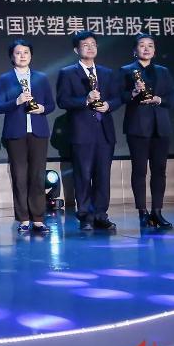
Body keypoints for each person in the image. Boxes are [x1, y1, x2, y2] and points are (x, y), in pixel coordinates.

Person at [56, 30, 121, 231]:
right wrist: (84, 100)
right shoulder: (67, 73)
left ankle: (101, 215)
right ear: (77, 50)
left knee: (103, 176)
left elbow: (118, 97)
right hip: (81, 132)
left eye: (93, 44)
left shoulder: (106, 73)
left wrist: (108, 105)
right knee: (83, 175)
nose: (90, 48)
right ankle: (85, 215)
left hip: (104, 132)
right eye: (85, 45)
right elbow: (62, 101)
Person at [0, 39, 56, 235]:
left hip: (38, 132)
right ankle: (24, 219)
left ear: (31, 55)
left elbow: (51, 105)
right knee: (19, 177)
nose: (22, 56)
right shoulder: (4, 79)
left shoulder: (41, 78)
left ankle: (38, 219)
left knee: (37, 176)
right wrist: (16, 101)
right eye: (18, 53)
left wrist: (42, 109)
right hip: (15, 133)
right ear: (12, 56)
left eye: (26, 52)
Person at [120, 33, 174, 229]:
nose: (146, 49)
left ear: (154, 50)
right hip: (137, 127)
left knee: (159, 170)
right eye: (142, 45)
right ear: (134, 50)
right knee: (139, 170)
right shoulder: (126, 71)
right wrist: (133, 93)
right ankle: (142, 213)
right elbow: (119, 96)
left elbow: (172, 97)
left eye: (150, 45)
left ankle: (157, 212)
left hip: (161, 127)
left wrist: (160, 99)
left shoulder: (163, 71)